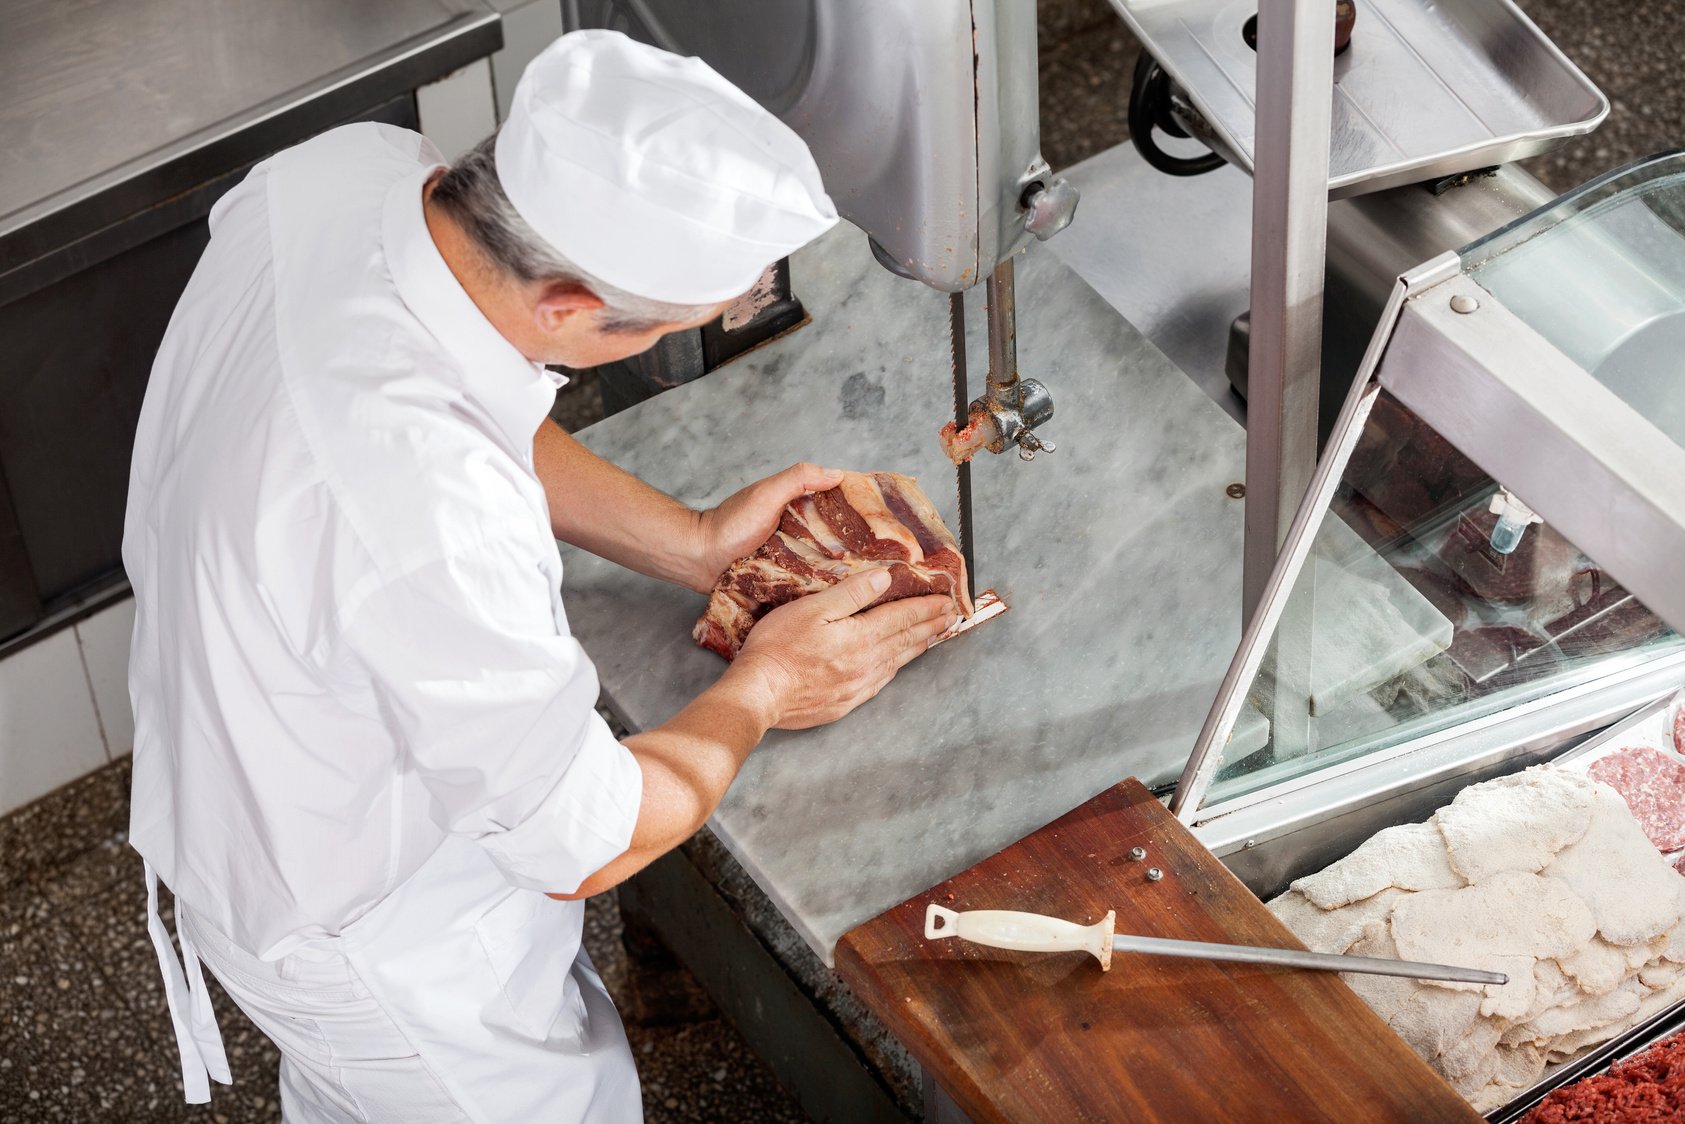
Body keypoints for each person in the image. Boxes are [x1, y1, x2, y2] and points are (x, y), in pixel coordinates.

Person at [123, 29, 956, 1123]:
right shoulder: (424, 515)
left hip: (250, 756)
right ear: (565, 306)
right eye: (671, 325)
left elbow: (477, 390)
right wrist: (767, 684)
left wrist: (690, 537)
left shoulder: (345, 173)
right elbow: (588, 837)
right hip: (380, 935)